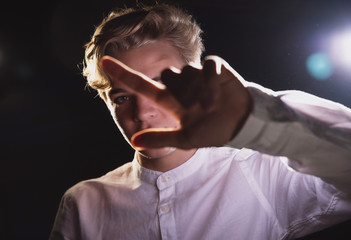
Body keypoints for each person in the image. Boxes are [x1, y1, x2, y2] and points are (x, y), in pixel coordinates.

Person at [50, 3, 351, 240]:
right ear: (106, 101)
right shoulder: (84, 204)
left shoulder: (261, 171)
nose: (143, 113)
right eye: (122, 98)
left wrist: (255, 119)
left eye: (160, 85)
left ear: (195, 77)